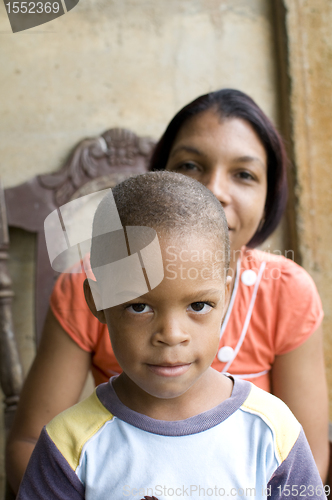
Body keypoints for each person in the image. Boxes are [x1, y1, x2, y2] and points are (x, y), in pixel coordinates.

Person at [6, 90, 329, 493]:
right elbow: (33, 446)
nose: (215, 190)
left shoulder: (272, 424)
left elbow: (303, 467)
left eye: (244, 174)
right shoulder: (75, 441)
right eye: (190, 166)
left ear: (270, 196)